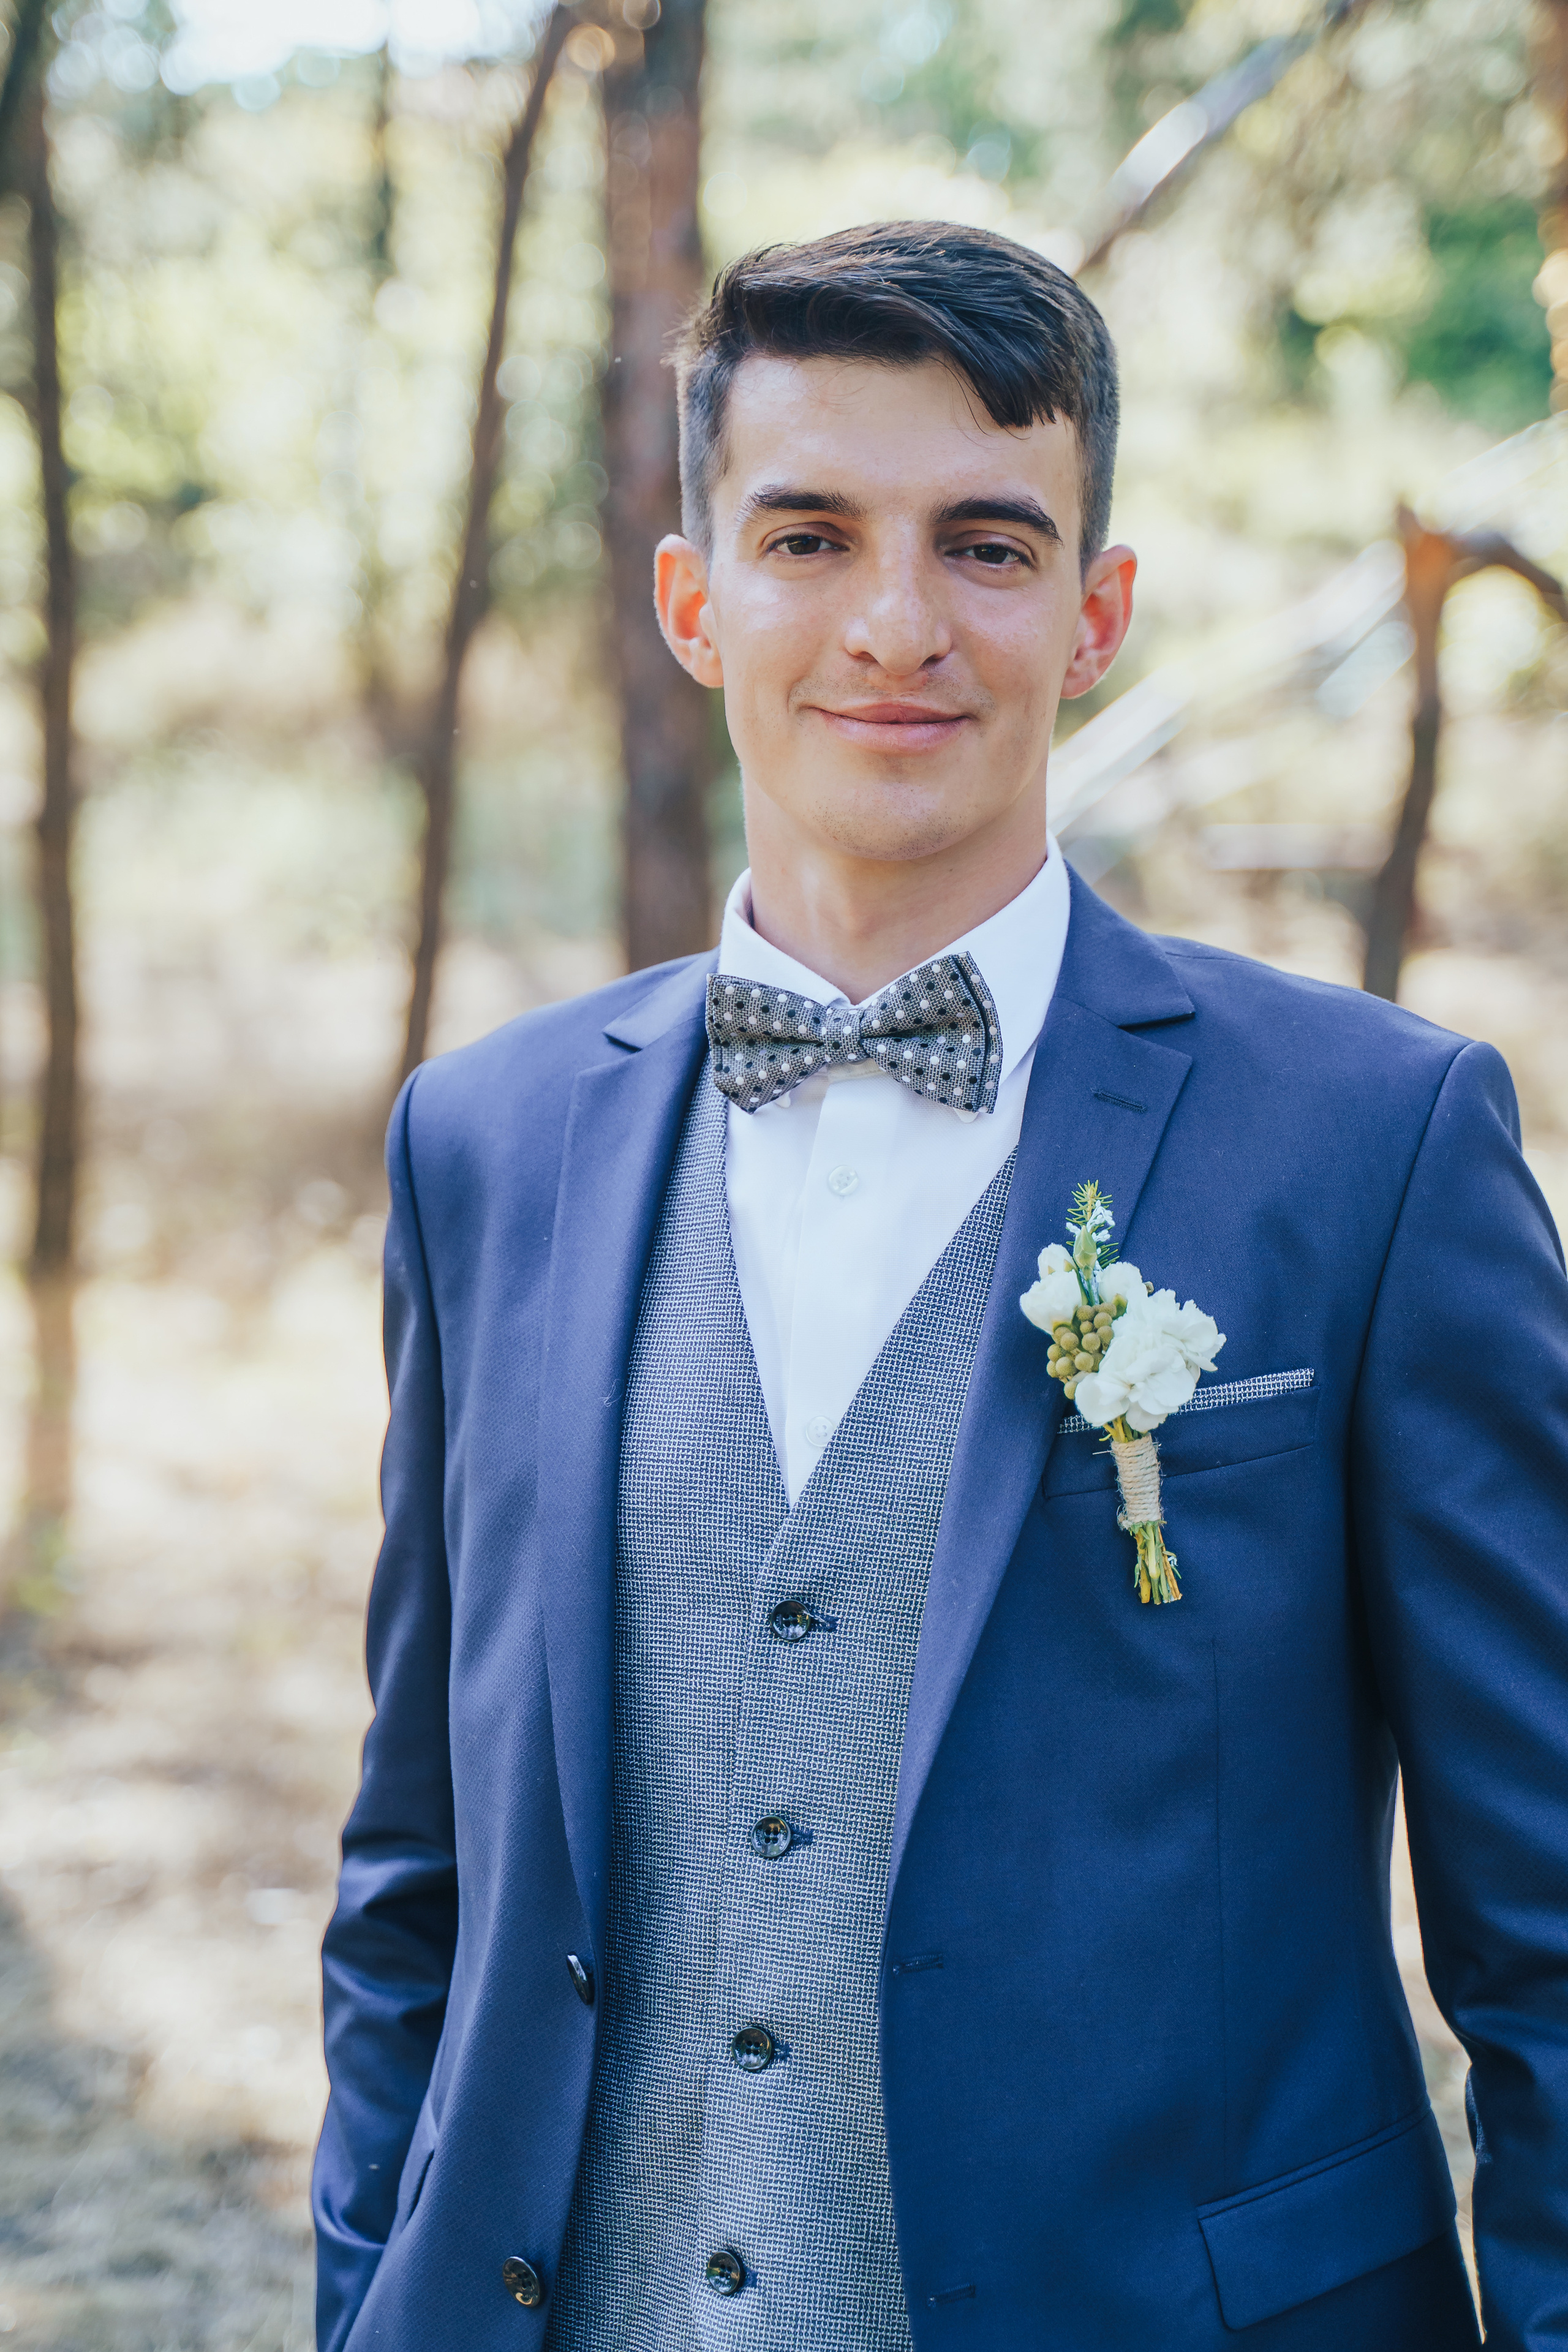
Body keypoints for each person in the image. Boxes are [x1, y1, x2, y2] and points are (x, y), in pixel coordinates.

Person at [312, 221, 1568, 2352]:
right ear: (697, 603)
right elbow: (418, 1879)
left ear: (1096, 615)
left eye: (989, 546)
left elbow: (1546, 1926)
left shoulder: (1376, 1140)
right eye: (810, 537)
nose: (898, 626)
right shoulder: (486, 1143)